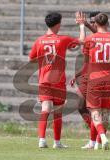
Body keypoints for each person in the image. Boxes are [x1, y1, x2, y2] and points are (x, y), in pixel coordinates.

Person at [29, 12, 85, 149]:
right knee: (58, 111)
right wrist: (82, 25)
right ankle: (57, 142)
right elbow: (82, 41)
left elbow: (32, 59)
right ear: (58, 24)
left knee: (45, 108)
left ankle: (41, 140)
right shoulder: (62, 39)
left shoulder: (39, 41)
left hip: (44, 80)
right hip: (58, 81)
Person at [83, 13, 110, 150]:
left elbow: (85, 62)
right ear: (108, 23)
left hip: (94, 79)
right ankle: (99, 143)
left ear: (95, 24)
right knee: (105, 112)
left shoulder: (90, 39)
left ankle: (102, 136)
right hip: (109, 79)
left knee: (95, 112)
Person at [71, 11, 102, 149]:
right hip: (86, 75)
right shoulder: (91, 39)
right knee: (79, 104)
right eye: (92, 21)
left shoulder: (104, 36)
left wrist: (85, 25)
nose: (93, 24)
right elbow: (86, 62)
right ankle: (98, 133)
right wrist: (77, 74)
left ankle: (96, 138)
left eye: (95, 22)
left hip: (98, 76)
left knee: (95, 109)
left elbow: (98, 31)